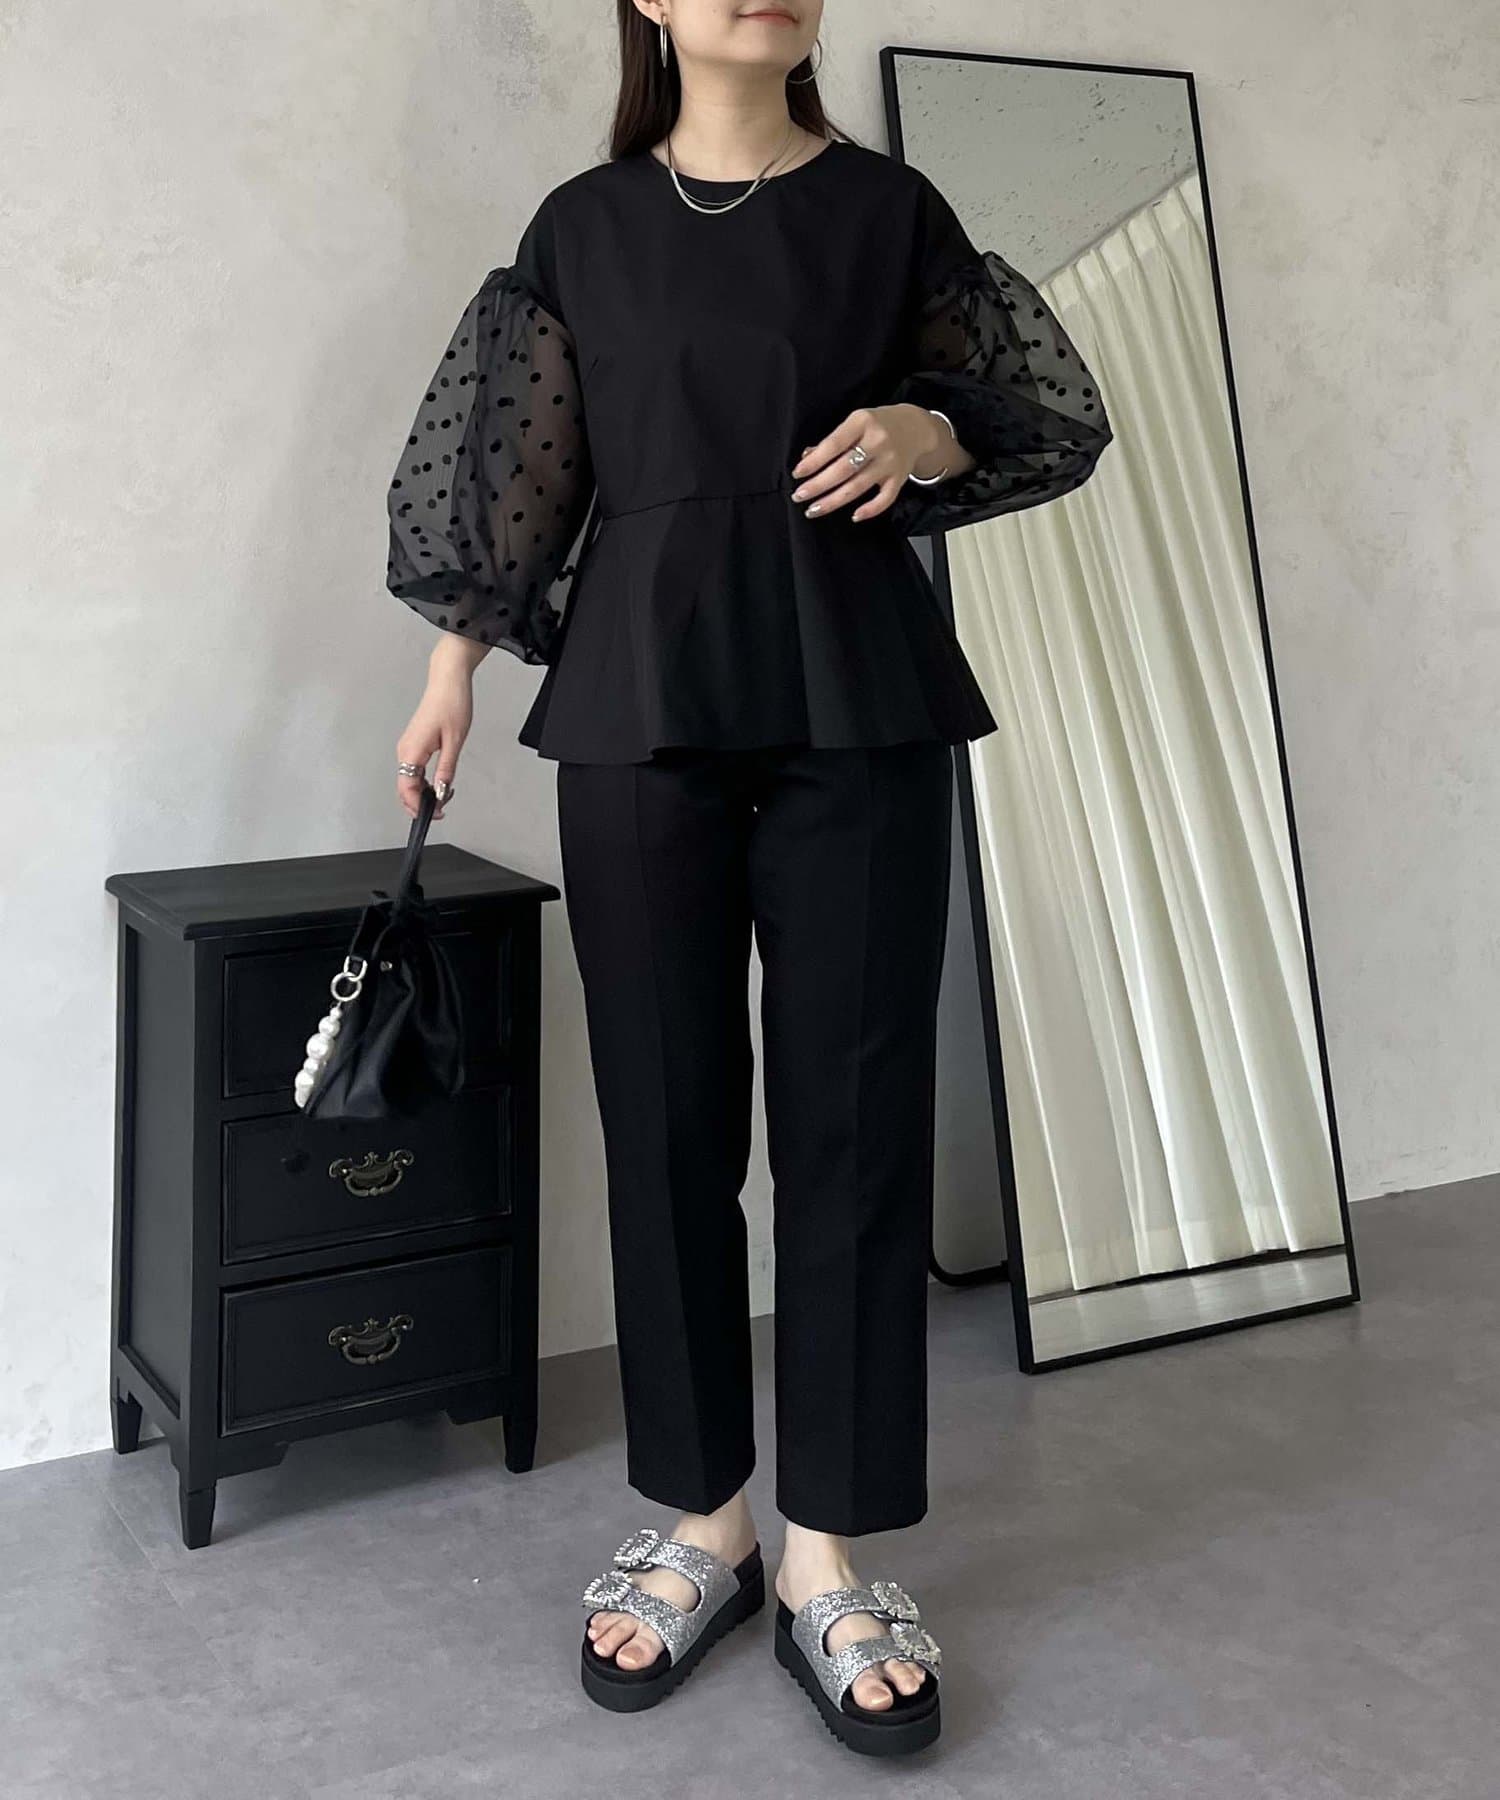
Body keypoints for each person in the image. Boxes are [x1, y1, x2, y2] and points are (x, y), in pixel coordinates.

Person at [383, 0, 1112, 1757]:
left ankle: (825, 1551)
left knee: (855, 1127)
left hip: (856, 692)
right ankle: (704, 1522)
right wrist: (449, 677)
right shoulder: (583, 226)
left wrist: (925, 435)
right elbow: (519, 476)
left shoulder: (889, 210)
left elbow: (1030, 407)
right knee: (666, 1122)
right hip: (638, 702)